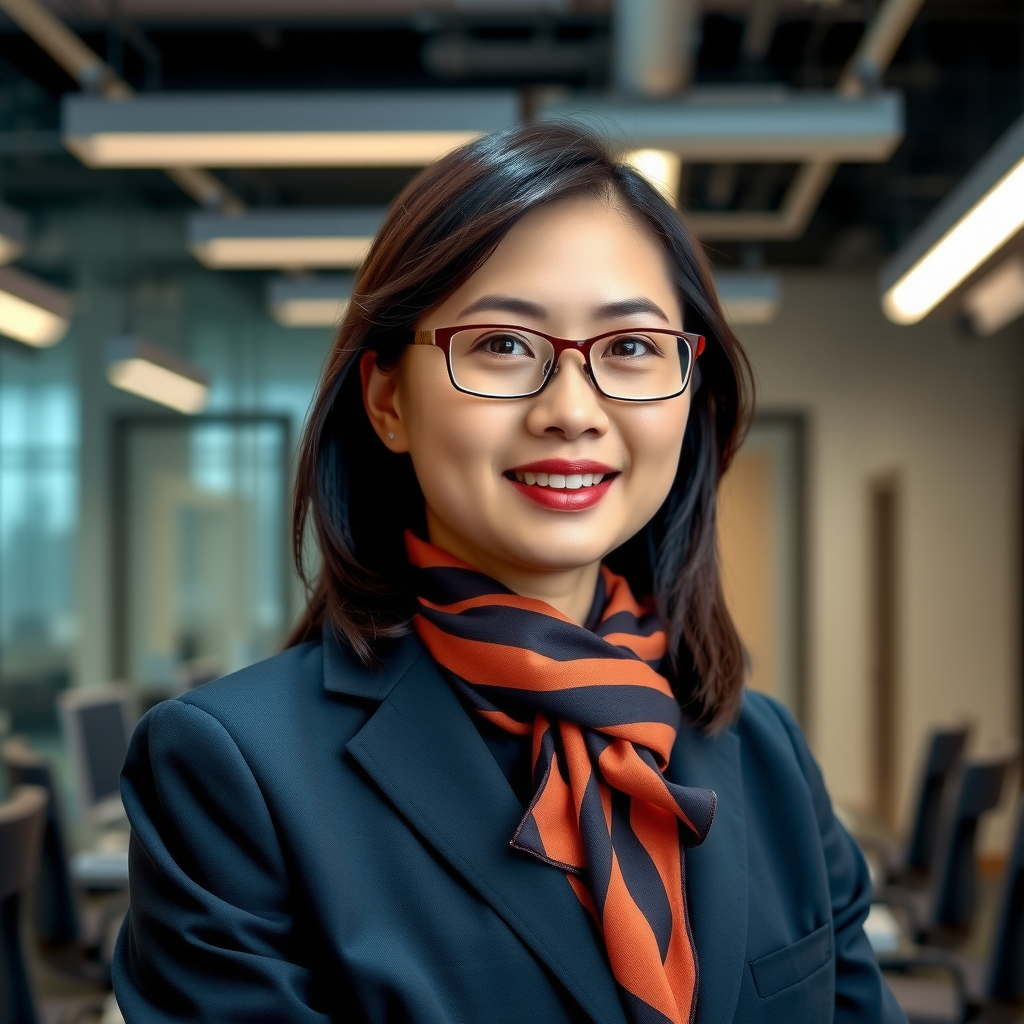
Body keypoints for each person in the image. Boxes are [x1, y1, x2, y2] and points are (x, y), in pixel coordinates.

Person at [112, 123, 906, 1024]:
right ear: (387, 401)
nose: (572, 410)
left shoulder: (768, 754)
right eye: (502, 344)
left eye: (632, 348)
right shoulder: (229, 773)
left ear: (691, 392)